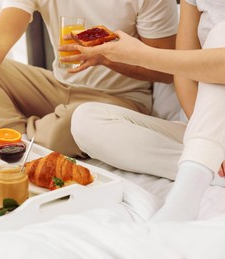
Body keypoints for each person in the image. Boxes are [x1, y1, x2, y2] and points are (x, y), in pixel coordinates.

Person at [0, 0, 178, 158]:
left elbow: (165, 70)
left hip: (119, 99)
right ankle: (21, 137)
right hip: (57, 85)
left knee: (69, 124)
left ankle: (16, 135)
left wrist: (107, 57)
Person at [59, 0, 225, 221]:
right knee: (86, 120)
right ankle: (208, 166)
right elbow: (182, 73)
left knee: (222, 32)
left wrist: (139, 54)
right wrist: (210, 143)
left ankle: (188, 192)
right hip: (204, 128)